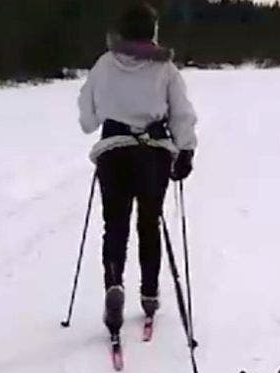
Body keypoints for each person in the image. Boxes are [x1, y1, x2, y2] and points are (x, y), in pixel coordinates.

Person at [77, 2, 198, 335]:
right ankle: (149, 295)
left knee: (114, 225)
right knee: (149, 222)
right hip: (153, 154)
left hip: (113, 152)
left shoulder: (103, 65)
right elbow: (181, 113)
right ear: (151, 32)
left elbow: (87, 118)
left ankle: (114, 283)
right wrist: (185, 149)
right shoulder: (166, 69)